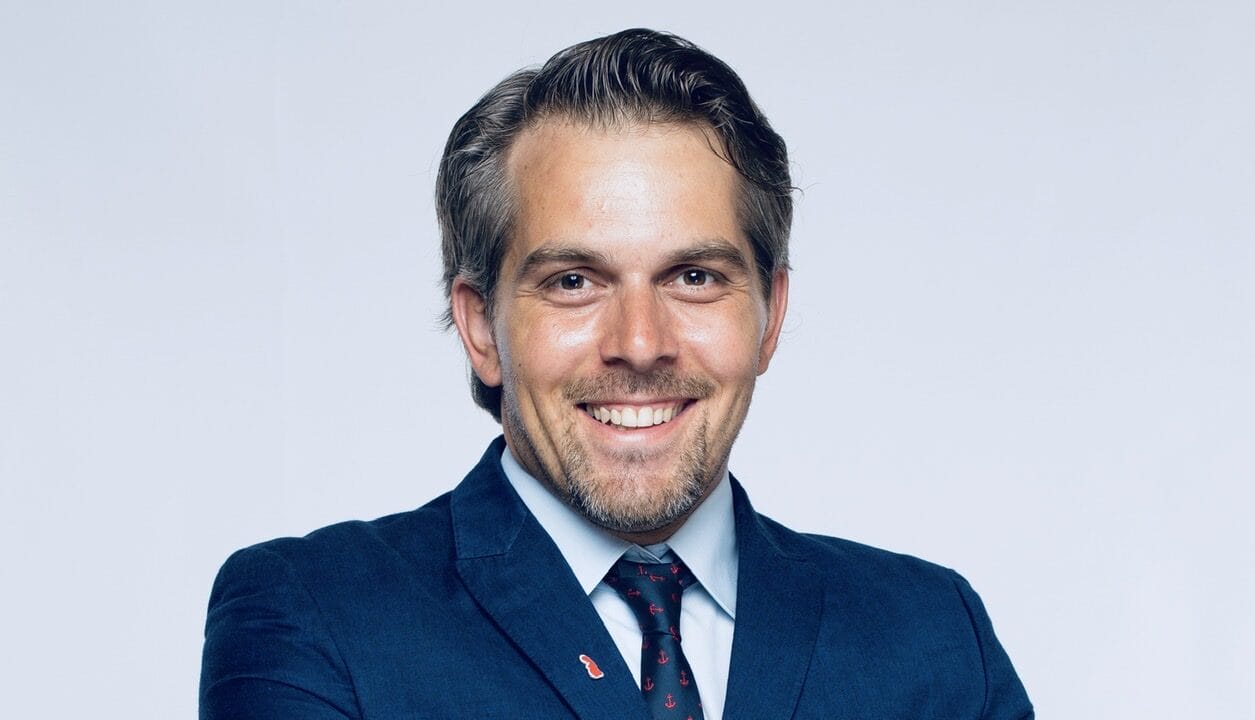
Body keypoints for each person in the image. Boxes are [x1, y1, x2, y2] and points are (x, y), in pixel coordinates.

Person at [200, 28, 1034, 720]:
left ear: (770, 315)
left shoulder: (931, 637)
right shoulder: (315, 618)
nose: (640, 343)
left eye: (694, 277)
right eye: (574, 282)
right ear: (481, 325)